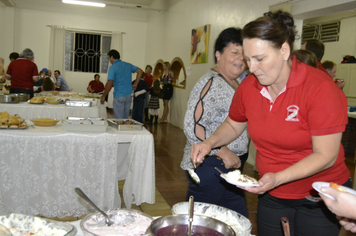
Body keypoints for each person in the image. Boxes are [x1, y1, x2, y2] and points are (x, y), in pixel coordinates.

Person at [190, 10, 350, 236]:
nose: (251, 68)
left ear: (284, 50)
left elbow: (326, 155)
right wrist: (210, 142)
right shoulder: (249, 87)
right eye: (247, 59)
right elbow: (235, 124)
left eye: (259, 59)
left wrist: (278, 177)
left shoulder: (319, 89)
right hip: (272, 192)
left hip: (320, 194)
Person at [181, 27, 250, 217]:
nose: (240, 59)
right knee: (200, 221)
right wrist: (223, 151)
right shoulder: (211, 83)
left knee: (235, 219)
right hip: (210, 165)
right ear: (218, 54)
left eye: (244, 54)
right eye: (235, 52)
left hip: (229, 168)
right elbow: (192, 126)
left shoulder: (236, 84)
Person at [100, 49, 143, 119]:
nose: (109, 60)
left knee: (119, 119)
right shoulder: (128, 65)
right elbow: (140, 71)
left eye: (109, 58)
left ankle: (120, 129)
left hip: (119, 95)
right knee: (125, 118)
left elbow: (110, 83)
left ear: (111, 57)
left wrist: (104, 96)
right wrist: (135, 84)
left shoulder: (113, 67)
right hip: (128, 95)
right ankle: (124, 129)